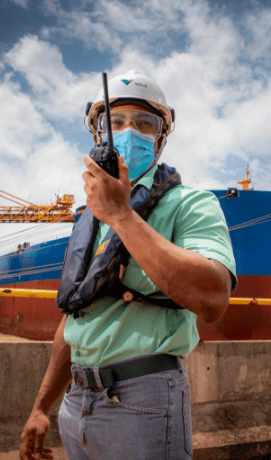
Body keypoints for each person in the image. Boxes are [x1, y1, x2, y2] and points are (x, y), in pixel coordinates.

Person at [20, 70, 237, 460]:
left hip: (144, 399)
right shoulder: (87, 218)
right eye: (115, 122)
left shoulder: (191, 203)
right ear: (98, 135)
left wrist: (121, 215)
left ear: (160, 138)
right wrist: (41, 407)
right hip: (74, 401)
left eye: (144, 123)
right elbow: (75, 320)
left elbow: (214, 297)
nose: (129, 131)